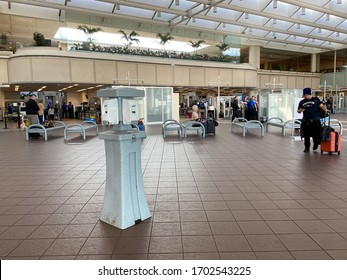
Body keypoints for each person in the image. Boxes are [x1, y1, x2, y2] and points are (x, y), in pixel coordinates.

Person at [297, 87, 329, 153]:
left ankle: (316, 143)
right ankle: (307, 147)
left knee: (316, 134)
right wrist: (300, 110)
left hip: (315, 120)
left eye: (307, 95)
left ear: (310, 94)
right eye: (304, 95)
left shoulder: (316, 100)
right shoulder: (302, 102)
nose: (305, 96)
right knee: (306, 135)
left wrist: (325, 110)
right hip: (306, 121)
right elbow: (298, 110)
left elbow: (321, 106)